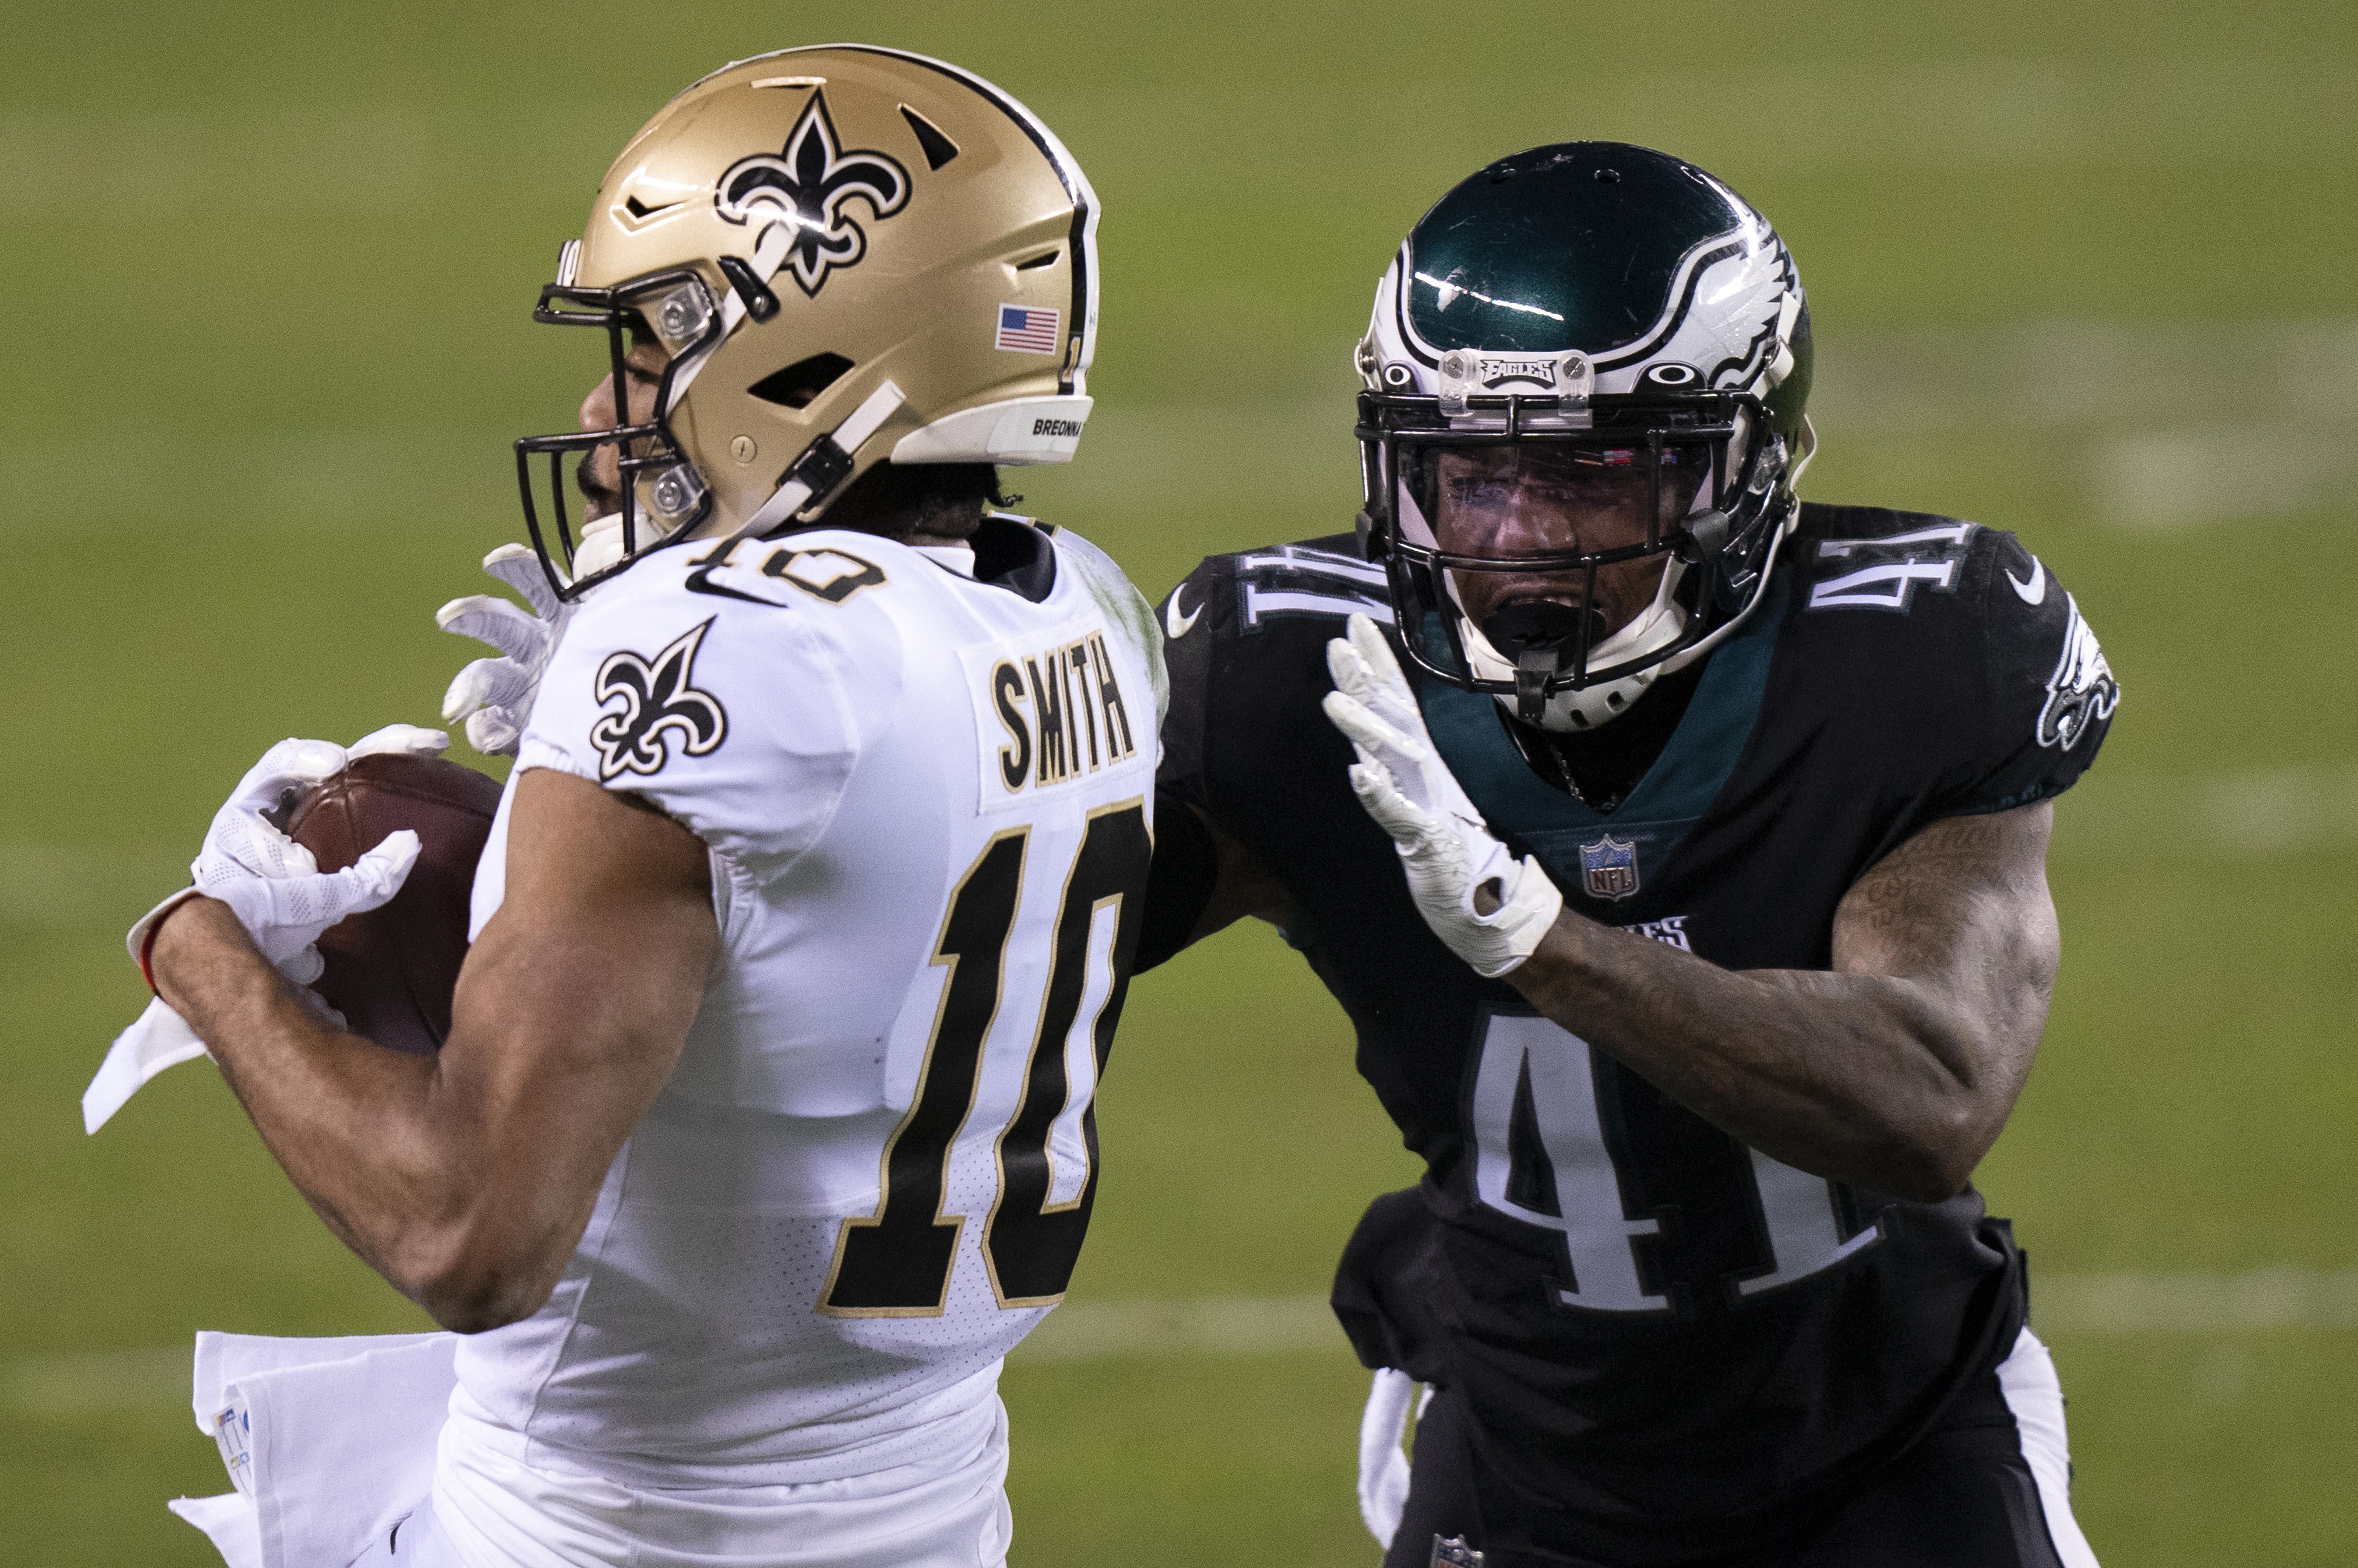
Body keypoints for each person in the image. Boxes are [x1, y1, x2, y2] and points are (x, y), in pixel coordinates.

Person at [95, 46, 1161, 1568]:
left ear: (819, 345)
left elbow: (472, 1238)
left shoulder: (709, 647)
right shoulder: (1084, 613)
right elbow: (865, 927)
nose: (609, 395)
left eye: (663, 340)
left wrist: (201, 953)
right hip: (933, 1517)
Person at [1134, 143, 2119, 1567]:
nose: (1522, 539)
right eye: (1468, 472)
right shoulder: (1290, 677)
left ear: (1742, 466)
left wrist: (1530, 932)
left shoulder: (1921, 652)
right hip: (1533, 1447)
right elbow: (1008, 948)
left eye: (1595, 473)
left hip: (1891, 1440)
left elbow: (1931, 1093)